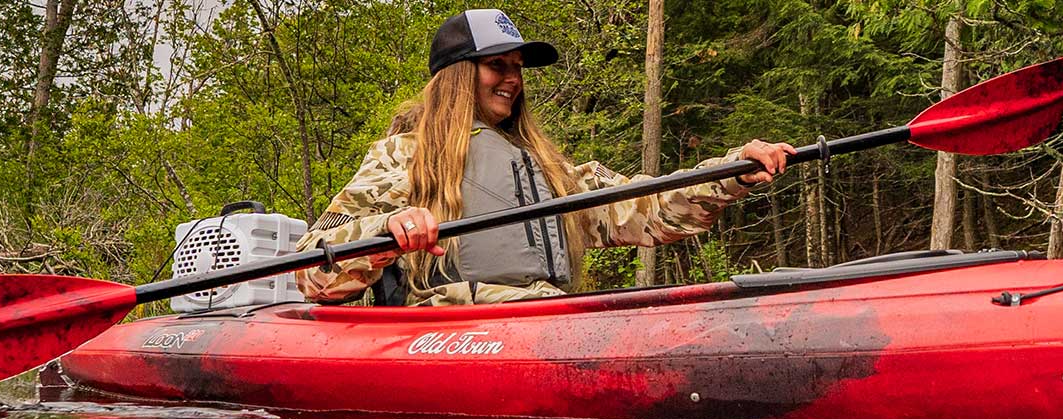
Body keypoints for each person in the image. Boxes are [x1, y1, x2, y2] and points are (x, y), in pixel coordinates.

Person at [294, 8, 792, 306]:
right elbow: (311, 272)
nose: (513, 78)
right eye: (496, 65)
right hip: (452, 334)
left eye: (516, 67)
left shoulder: (548, 173)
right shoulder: (405, 156)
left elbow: (648, 208)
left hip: (544, 319)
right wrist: (387, 232)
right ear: (457, 76)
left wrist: (733, 172)